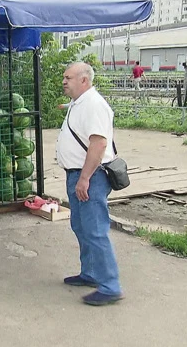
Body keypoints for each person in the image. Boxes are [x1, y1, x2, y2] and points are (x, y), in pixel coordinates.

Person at [56, 62, 124, 306]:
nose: (64, 81)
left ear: (84, 80)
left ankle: (110, 285)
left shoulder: (94, 105)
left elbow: (99, 144)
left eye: (69, 77)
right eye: (64, 77)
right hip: (77, 174)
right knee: (81, 226)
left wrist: (84, 178)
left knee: (95, 230)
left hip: (90, 176)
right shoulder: (80, 103)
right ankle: (91, 273)